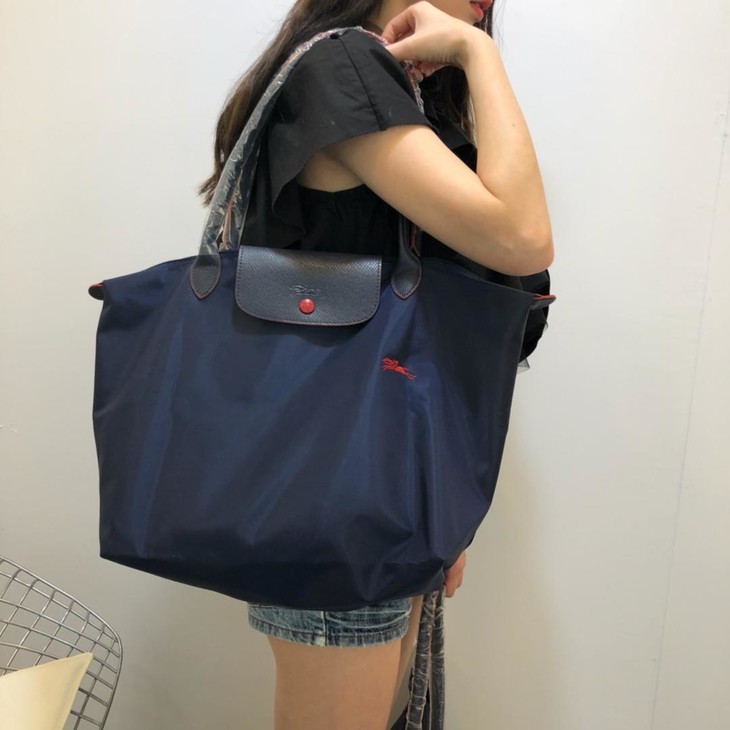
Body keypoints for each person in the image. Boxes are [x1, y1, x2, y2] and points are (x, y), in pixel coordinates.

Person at [198, 1, 553, 728]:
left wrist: (439, 509)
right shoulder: (342, 66)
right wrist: (480, 54)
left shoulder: (393, 90)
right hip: (338, 503)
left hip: (379, 494)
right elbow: (521, 236)